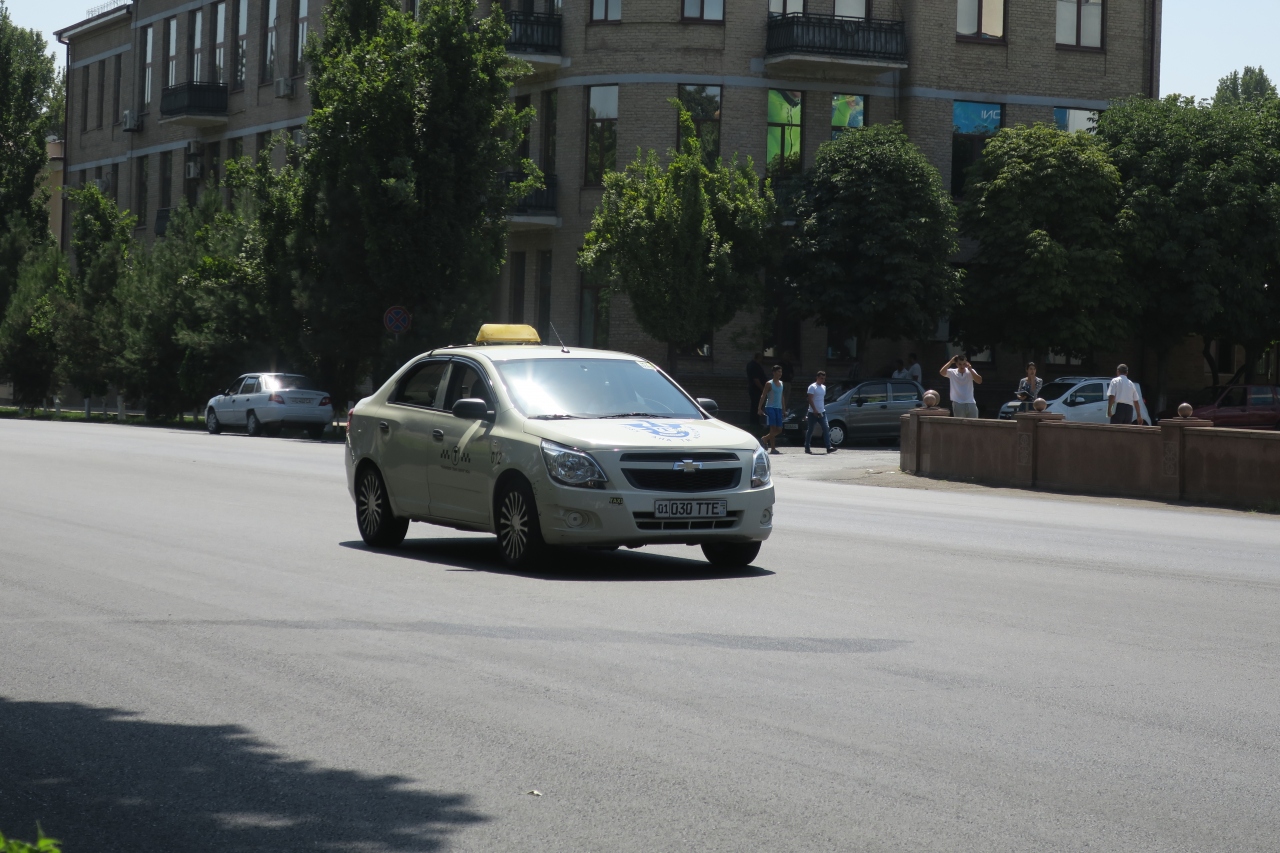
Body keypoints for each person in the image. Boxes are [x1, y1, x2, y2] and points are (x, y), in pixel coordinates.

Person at [940, 354, 983, 418]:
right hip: (958, 403)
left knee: (974, 423)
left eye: (964, 364)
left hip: (971, 402)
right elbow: (942, 372)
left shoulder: (970, 372)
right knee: (960, 423)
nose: (962, 366)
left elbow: (979, 381)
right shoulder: (952, 372)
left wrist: (970, 369)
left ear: (966, 363)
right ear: (956, 364)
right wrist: (951, 362)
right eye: (960, 364)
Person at [804, 370, 836, 454]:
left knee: (826, 428)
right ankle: (807, 447)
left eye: (824, 378)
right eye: (821, 378)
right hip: (812, 412)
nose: (823, 380)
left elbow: (821, 399)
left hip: (822, 412)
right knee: (810, 430)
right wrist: (814, 409)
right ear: (817, 377)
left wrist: (820, 409)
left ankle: (828, 447)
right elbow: (810, 399)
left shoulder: (824, 387)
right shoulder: (812, 387)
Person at [757, 365, 786, 454]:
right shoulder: (769, 383)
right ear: (773, 373)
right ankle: (773, 448)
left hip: (778, 408)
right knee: (773, 428)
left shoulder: (781, 383)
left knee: (779, 429)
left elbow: (782, 397)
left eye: (781, 372)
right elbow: (763, 395)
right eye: (778, 372)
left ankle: (764, 439)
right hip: (770, 407)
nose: (780, 373)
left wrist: (784, 409)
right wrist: (759, 408)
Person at [745, 353, 767, 428]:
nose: (762, 360)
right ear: (758, 358)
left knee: (756, 406)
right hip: (756, 389)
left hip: (755, 389)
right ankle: (755, 423)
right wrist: (762, 389)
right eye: (761, 358)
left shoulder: (752, 365)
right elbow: (756, 379)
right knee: (756, 406)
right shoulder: (754, 366)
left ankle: (755, 423)